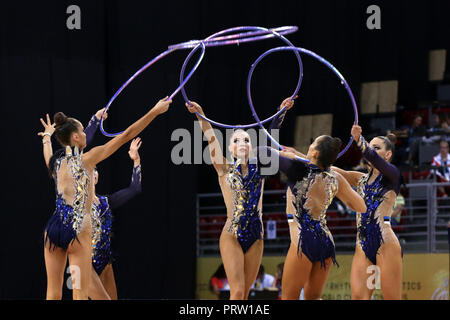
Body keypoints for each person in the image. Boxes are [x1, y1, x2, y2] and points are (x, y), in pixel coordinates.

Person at [38, 96, 171, 300]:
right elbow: (126, 135)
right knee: (80, 295)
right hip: (78, 229)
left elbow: (48, 154)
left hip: (54, 227)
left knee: (53, 293)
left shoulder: (57, 163)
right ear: (74, 137)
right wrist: (154, 111)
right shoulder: (88, 160)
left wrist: (47, 136)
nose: (85, 134)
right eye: (82, 131)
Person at [185, 97, 295, 300]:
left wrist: (281, 111)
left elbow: (271, 137)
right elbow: (211, 138)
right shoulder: (224, 168)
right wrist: (201, 116)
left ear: (252, 146)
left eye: (246, 140)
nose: (242, 143)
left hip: (256, 236)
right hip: (231, 234)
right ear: (230, 149)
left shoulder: (260, 166)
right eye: (236, 140)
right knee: (235, 292)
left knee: (244, 294)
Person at [262, 137, 366, 300]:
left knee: (289, 297)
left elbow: (264, 151)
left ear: (315, 152)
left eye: (311, 145)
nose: (308, 147)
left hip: (303, 238)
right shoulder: (335, 178)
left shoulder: (296, 168)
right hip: (325, 240)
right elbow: (361, 207)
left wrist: (294, 157)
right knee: (314, 297)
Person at [332, 125, 403, 300]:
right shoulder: (361, 179)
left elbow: (374, 159)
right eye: (370, 146)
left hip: (385, 243)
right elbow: (333, 171)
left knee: (391, 298)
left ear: (388, 155)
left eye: (376, 147)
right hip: (362, 245)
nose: (371, 150)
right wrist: (305, 157)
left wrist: (360, 141)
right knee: (357, 298)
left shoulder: (392, 176)